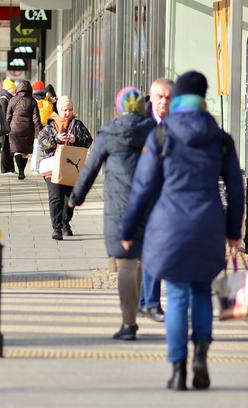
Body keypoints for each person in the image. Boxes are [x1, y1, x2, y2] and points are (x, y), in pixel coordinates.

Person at [120, 71, 244, 391]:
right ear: (204, 98)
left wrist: (129, 227)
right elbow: (235, 189)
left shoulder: (161, 136)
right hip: (208, 227)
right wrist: (233, 232)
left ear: (176, 99)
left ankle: (178, 369)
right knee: (202, 290)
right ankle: (201, 355)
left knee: (175, 295)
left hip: (169, 226)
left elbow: (143, 187)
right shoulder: (221, 138)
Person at [69, 87, 155, 340]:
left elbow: (90, 168)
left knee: (126, 263)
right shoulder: (155, 131)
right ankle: (138, 304)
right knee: (140, 258)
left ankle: (129, 323)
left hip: (120, 206)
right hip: (151, 204)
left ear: (118, 109)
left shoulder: (109, 133)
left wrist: (76, 197)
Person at [138, 78, 173, 323]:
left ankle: (146, 301)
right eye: (159, 96)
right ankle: (148, 302)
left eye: (168, 97)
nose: (163, 101)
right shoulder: (140, 124)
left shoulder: (177, 124)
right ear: (150, 97)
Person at [37, 96, 92, 240]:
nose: (67, 112)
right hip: (53, 168)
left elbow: (89, 140)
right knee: (56, 197)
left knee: (69, 198)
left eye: (70, 109)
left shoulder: (77, 125)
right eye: (64, 110)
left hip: (71, 168)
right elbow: (42, 142)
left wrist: (76, 139)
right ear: (58, 110)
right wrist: (56, 140)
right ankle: (57, 228)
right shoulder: (50, 125)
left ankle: (65, 223)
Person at [5, 80, 41, 180]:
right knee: (25, 152)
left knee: (17, 151)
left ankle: (20, 171)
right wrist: (39, 129)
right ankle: (22, 171)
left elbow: (8, 116)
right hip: (28, 129)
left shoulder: (12, 100)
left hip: (14, 128)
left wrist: (6, 127)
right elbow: (36, 118)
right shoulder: (33, 101)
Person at [0, 79, 16, 174]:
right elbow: (4, 114)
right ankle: (5, 169)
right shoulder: (4, 99)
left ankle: (11, 168)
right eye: (12, 88)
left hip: (8, 126)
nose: (14, 90)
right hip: (5, 127)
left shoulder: (8, 97)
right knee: (5, 148)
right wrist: (6, 127)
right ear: (8, 89)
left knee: (9, 148)